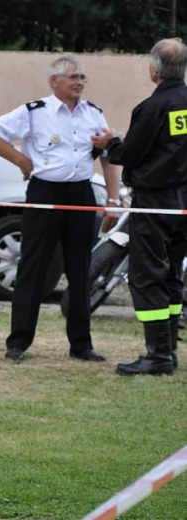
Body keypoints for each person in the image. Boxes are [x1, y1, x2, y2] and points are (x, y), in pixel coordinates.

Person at [0, 55, 120, 363]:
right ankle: (18, 341)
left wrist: (113, 199)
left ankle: (81, 344)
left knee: (79, 270)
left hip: (82, 194)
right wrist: (21, 160)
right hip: (45, 192)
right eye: (73, 77)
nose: (80, 83)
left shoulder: (93, 113)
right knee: (33, 268)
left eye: (83, 78)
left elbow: (107, 155)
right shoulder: (35, 112)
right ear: (55, 81)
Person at [91, 38, 187, 376]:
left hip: (155, 200)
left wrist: (111, 144)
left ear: (154, 70)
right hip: (183, 203)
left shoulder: (153, 107)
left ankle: (157, 355)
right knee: (172, 273)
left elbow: (131, 153)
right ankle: (170, 350)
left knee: (147, 276)